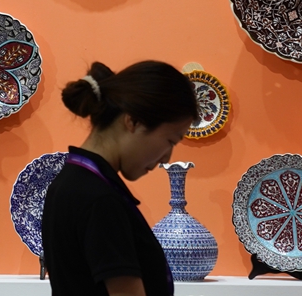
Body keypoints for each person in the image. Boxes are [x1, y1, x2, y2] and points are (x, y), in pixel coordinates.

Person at [42, 61, 199, 296]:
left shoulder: (69, 183)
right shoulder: (100, 200)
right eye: (170, 141)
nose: (166, 158)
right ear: (133, 121)